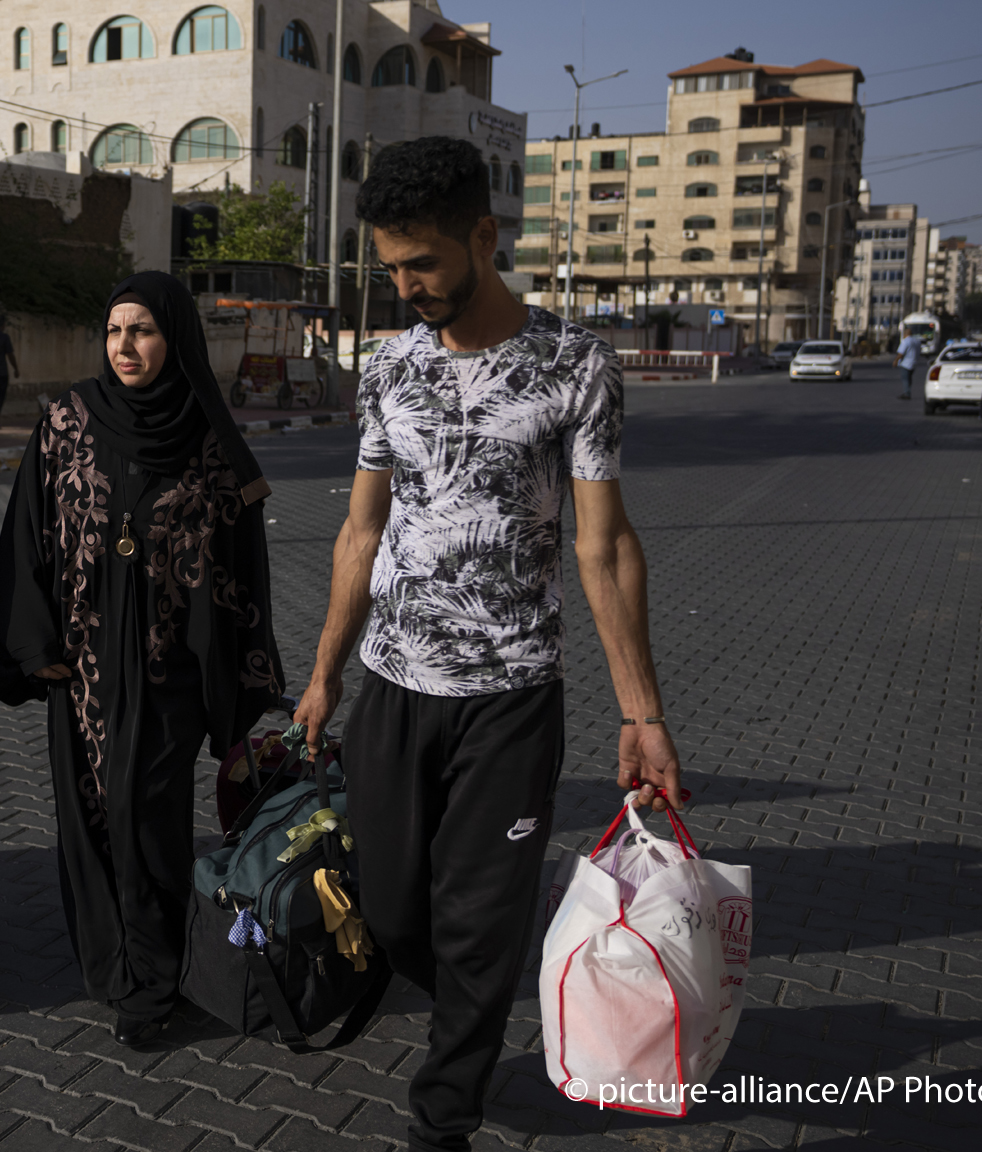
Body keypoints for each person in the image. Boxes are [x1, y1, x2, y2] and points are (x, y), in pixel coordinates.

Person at [290, 137, 682, 1152]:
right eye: (388, 267)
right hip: (390, 685)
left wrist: (641, 714)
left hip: (509, 697)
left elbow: (603, 547)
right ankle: (473, 996)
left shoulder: (572, 367)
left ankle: (443, 1113)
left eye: (420, 262)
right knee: (388, 906)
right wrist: (326, 671)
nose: (404, 284)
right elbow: (360, 531)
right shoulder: (386, 367)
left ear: (483, 236)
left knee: (476, 920)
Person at [0, 271, 282, 1049]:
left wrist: (242, 683)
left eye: (142, 330)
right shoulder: (68, 420)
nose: (124, 346)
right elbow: (27, 534)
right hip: (79, 671)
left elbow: (243, 568)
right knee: (89, 820)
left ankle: (152, 984)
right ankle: (113, 965)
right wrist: (31, 642)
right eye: (114, 331)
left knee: (146, 821)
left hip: (167, 674)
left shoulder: (209, 441)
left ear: (173, 338)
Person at [893, 331, 924, 400]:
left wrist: (896, 360)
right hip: (914, 363)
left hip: (905, 363)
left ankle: (907, 393)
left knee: (905, 379)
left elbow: (901, 353)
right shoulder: (916, 341)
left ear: (905, 334)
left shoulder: (905, 341)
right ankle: (907, 391)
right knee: (909, 379)